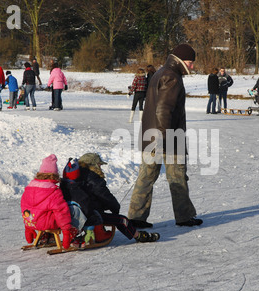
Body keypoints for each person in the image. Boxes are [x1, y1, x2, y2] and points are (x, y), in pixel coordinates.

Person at [128, 43, 202, 228]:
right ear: (181, 60)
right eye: (190, 62)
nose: (192, 66)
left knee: (146, 177)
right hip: (168, 139)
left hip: (152, 137)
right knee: (177, 176)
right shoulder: (172, 77)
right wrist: (162, 139)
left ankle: (136, 217)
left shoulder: (161, 72)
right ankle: (184, 216)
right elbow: (163, 110)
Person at [60, 153, 160, 246]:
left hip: (70, 214)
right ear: (93, 165)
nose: (100, 167)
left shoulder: (72, 177)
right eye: (99, 165)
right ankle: (139, 236)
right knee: (122, 220)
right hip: (90, 215)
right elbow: (105, 196)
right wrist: (115, 207)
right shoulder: (93, 178)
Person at [20, 154, 73, 250]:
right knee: (70, 210)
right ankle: (74, 235)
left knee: (41, 210)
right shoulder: (54, 191)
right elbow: (61, 212)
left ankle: (47, 236)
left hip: (31, 221)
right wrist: (66, 232)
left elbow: (24, 206)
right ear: (55, 174)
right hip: (47, 224)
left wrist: (28, 227)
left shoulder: (29, 187)